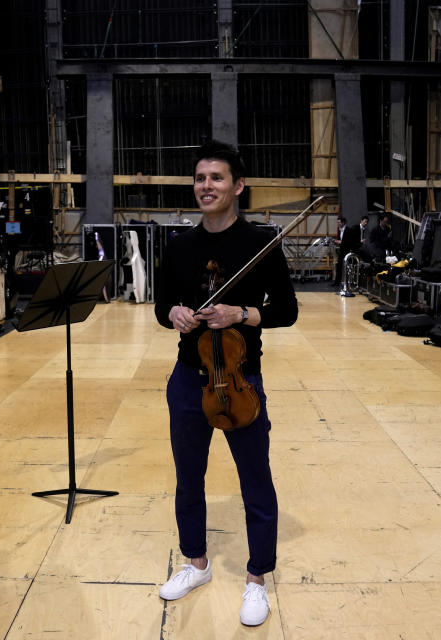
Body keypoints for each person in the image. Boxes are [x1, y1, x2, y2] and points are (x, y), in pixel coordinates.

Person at [154, 141, 298, 626]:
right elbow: (161, 307)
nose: (206, 187)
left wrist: (243, 313)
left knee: (255, 480)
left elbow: (288, 311)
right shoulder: (178, 248)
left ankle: (257, 578)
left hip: (241, 380)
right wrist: (172, 312)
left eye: (216, 178)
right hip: (187, 380)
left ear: (238, 186)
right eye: (199, 178)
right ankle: (196, 563)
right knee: (187, 478)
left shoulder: (260, 242)